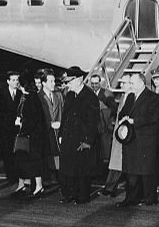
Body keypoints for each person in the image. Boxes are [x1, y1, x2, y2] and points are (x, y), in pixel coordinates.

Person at [116, 72, 159, 207]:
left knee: (146, 171)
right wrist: (123, 119)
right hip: (131, 140)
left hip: (145, 140)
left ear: (141, 83)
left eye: (132, 83)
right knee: (131, 171)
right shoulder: (130, 97)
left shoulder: (153, 97)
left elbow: (153, 117)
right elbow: (123, 113)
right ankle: (131, 198)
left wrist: (134, 120)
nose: (130, 85)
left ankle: (149, 198)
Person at [58, 66, 99, 204]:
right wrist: (61, 133)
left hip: (82, 139)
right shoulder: (70, 94)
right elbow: (65, 115)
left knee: (82, 169)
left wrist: (88, 141)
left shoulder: (90, 97)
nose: (68, 83)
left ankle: (82, 196)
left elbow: (93, 122)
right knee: (68, 168)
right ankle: (69, 194)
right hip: (69, 137)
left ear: (79, 80)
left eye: (70, 80)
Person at [12, 73, 46, 198]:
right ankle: (32, 186)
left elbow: (32, 119)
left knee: (33, 161)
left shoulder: (30, 99)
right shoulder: (30, 97)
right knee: (28, 160)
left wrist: (22, 126)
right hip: (32, 135)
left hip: (31, 136)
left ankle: (38, 186)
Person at [100, 74, 131, 196]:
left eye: (124, 83)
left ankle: (110, 187)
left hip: (125, 134)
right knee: (117, 161)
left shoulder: (131, 96)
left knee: (119, 161)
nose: (121, 85)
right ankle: (111, 187)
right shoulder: (124, 96)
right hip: (119, 134)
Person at [0, 71, 22, 185]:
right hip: (5, 129)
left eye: (17, 80)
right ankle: (10, 176)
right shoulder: (1, 93)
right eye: (13, 80)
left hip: (16, 129)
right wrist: (2, 123)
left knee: (16, 153)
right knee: (7, 154)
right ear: (8, 81)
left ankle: (16, 174)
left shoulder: (20, 94)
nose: (15, 82)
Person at [38, 69, 64, 183]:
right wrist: (50, 124)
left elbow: (63, 111)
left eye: (54, 81)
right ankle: (48, 176)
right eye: (51, 81)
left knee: (58, 154)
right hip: (45, 132)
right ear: (43, 83)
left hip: (58, 132)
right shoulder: (38, 97)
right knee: (47, 155)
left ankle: (57, 176)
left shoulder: (58, 95)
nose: (54, 83)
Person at [88, 73, 116, 172]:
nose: (94, 86)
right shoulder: (89, 93)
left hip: (104, 125)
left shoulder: (107, 94)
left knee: (104, 149)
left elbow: (113, 110)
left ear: (100, 82)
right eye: (92, 84)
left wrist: (102, 108)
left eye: (96, 83)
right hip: (92, 125)